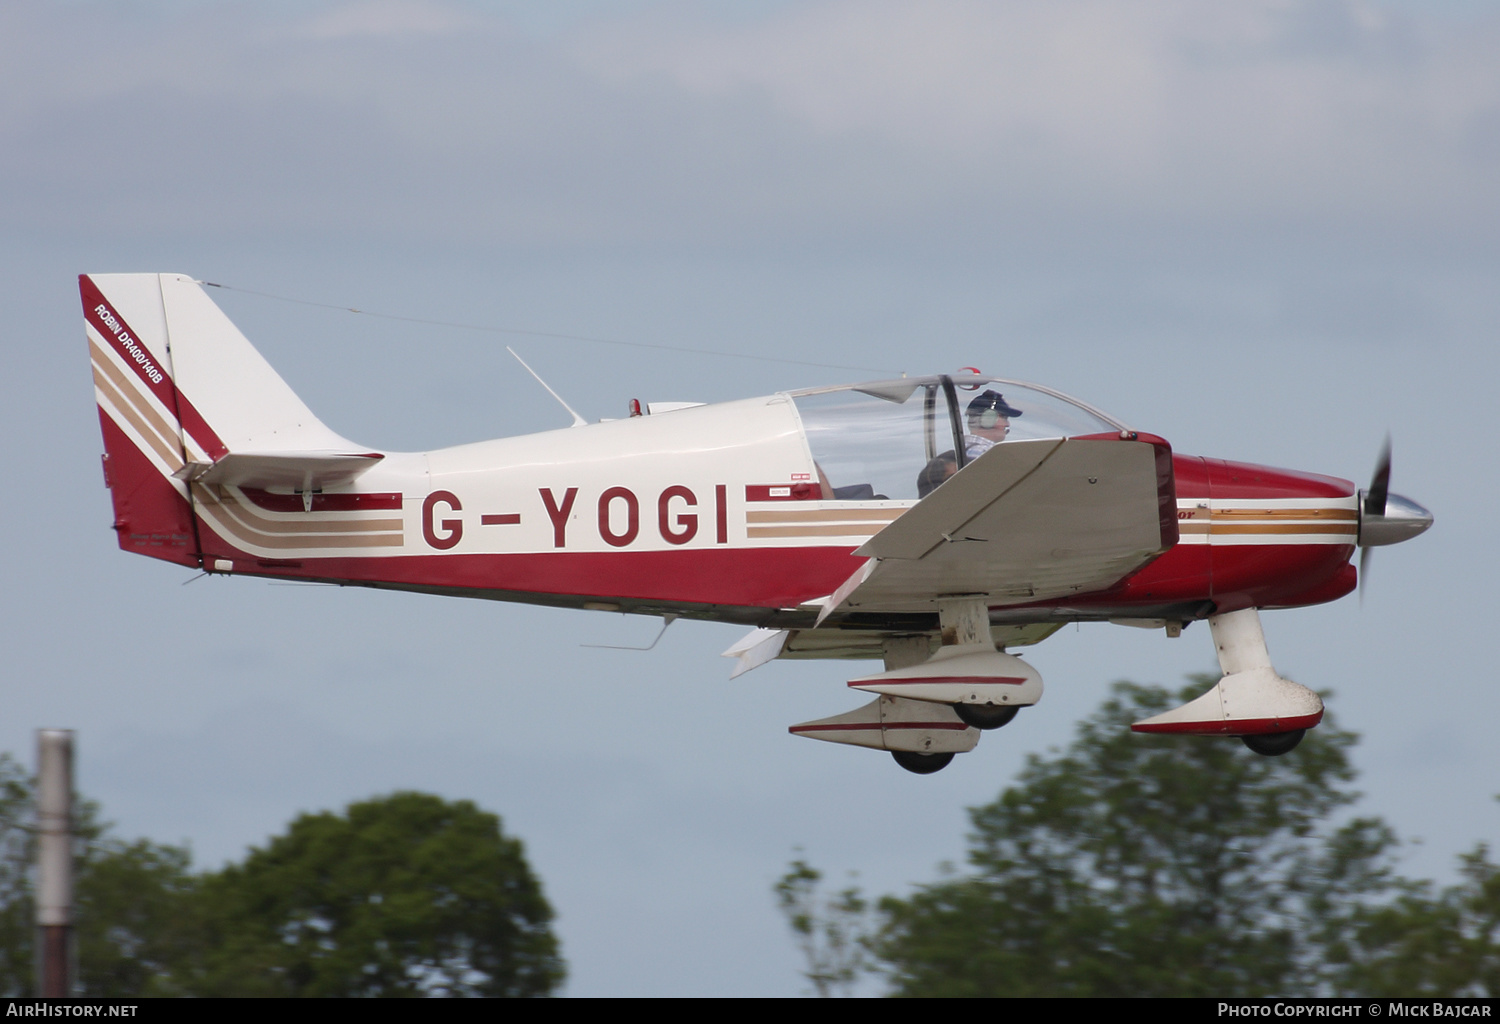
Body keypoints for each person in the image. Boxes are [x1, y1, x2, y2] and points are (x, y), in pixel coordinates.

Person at [963, 389, 1023, 461]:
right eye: (1004, 417)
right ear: (988, 418)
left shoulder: (963, 450)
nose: (1007, 424)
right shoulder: (982, 452)